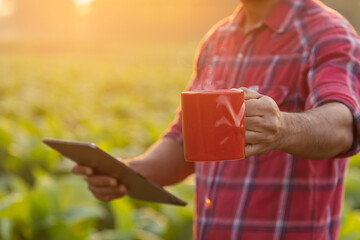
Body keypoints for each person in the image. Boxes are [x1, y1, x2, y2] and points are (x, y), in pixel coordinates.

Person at [73, 0, 360, 239]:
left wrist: (282, 129)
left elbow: (342, 124)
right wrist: (126, 172)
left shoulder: (327, 34)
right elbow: (184, 142)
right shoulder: (217, 38)